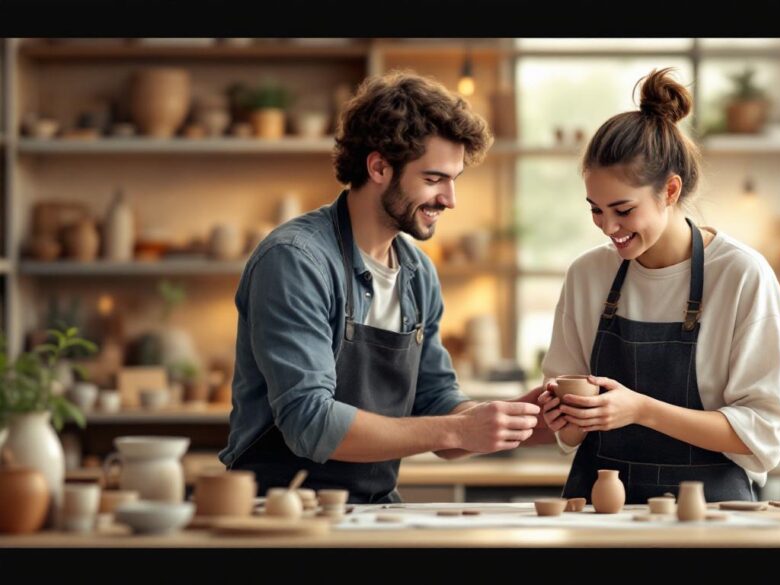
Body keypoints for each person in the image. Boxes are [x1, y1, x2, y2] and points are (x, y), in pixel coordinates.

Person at [219, 71, 545, 503]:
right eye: (433, 179)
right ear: (378, 167)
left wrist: (507, 419)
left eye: (454, 179)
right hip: (278, 511)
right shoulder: (295, 261)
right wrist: (459, 427)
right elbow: (309, 422)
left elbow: (435, 403)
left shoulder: (417, 274)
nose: (450, 199)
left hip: (372, 508)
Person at [536, 68, 780, 504]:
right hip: (602, 517)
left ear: (670, 190)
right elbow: (572, 433)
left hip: (711, 515)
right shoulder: (587, 275)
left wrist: (641, 410)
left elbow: (763, 435)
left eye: (622, 209)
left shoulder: (741, 276)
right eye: (596, 210)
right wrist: (564, 415)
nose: (608, 228)